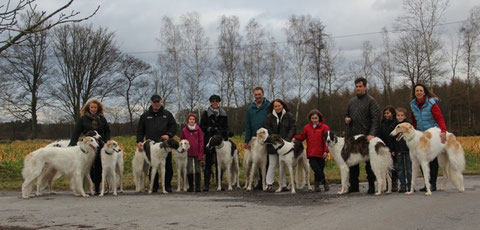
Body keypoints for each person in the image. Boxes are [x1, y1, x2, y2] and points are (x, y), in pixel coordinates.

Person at [344, 77, 380, 194]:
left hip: (366, 137)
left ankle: (371, 186)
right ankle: (354, 186)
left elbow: (376, 119)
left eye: (360, 86)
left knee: (369, 163)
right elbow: (346, 115)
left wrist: (372, 134)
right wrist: (347, 120)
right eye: (356, 86)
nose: (358, 88)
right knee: (352, 162)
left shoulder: (371, 101)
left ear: (365, 87)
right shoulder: (351, 101)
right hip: (352, 137)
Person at [410, 83, 447, 192]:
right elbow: (413, 121)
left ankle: (433, 183)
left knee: (432, 158)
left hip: (432, 134)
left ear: (424, 92)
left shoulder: (431, 103)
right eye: (417, 91)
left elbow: (440, 118)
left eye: (421, 90)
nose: (419, 92)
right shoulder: (413, 104)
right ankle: (427, 183)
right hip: (420, 134)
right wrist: (413, 133)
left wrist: (443, 131)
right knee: (421, 158)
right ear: (414, 93)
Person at [69, 98, 110, 195]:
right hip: (87, 146)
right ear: (88, 108)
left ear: (98, 108)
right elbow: (76, 131)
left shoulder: (102, 119)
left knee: (99, 165)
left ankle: (97, 186)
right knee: (89, 166)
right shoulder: (83, 119)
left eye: (95, 107)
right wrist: (72, 143)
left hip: (100, 144)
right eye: (92, 107)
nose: (93, 109)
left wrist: (107, 140)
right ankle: (89, 187)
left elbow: (107, 131)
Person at [136, 94, 177, 193]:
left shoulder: (167, 114)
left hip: (165, 145)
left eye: (158, 102)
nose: (156, 104)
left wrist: (169, 135)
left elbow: (174, 126)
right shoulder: (145, 115)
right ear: (151, 102)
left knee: (167, 165)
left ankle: (167, 186)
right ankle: (154, 186)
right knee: (153, 166)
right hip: (151, 145)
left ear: (161, 102)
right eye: (154, 102)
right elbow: (140, 130)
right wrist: (139, 141)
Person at [293, 109, 330, 192]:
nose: (314, 120)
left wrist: (326, 151)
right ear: (310, 118)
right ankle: (324, 181)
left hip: (321, 152)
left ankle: (316, 185)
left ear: (319, 118)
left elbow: (327, 140)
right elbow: (303, 136)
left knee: (320, 169)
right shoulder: (307, 127)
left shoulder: (325, 127)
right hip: (311, 153)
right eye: (312, 118)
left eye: (316, 118)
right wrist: (295, 138)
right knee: (315, 168)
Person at [263, 99, 295, 192]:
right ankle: (269, 184)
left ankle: (283, 185)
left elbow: (293, 127)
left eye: (279, 105)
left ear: (283, 105)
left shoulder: (289, 115)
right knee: (272, 164)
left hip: (286, 145)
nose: (277, 108)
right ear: (273, 107)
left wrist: (287, 140)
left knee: (283, 165)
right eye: (275, 106)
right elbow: (268, 129)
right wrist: (275, 139)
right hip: (273, 144)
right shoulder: (269, 117)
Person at [200, 94, 229, 191]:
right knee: (208, 163)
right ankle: (206, 185)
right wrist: (209, 129)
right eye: (213, 101)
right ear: (210, 102)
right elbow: (201, 126)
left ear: (219, 102)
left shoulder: (223, 113)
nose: (215, 103)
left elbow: (226, 127)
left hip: (220, 141)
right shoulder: (206, 113)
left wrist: (226, 134)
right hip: (209, 140)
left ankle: (219, 184)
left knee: (219, 163)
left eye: (216, 101)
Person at [244, 86, 270, 190]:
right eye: (256, 95)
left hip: (266, 137)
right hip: (254, 139)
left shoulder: (269, 106)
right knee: (255, 161)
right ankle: (257, 181)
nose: (258, 96)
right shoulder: (250, 108)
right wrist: (246, 140)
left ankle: (267, 182)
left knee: (266, 161)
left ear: (263, 94)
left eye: (259, 94)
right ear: (254, 95)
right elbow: (248, 125)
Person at [180, 113, 204, 192]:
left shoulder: (198, 129)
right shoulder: (184, 130)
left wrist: (201, 153)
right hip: (188, 153)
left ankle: (198, 187)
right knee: (189, 169)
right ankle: (191, 186)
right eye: (190, 119)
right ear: (188, 120)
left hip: (197, 152)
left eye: (193, 119)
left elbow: (201, 141)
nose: (192, 121)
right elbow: (181, 140)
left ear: (195, 120)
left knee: (197, 169)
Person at [378, 105, 398, 192]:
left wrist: (393, 149)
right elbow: (380, 136)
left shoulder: (396, 124)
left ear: (392, 113)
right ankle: (387, 184)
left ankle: (394, 184)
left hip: (393, 147)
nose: (386, 115)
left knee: (394, 167)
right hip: (385, 147)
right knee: (386, 167)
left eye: (388, 113)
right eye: (385, 113)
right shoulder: (381, 124)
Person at [394, 107, 412, 193]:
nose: (400, 117)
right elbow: (393, 139)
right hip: (398, 150)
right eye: (398, 115)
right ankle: (402, 185)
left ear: (405, 116)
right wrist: (393, 149)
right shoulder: (395, 126)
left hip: (408, 150)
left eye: (402, 115)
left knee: (409, 168)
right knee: (400, 169)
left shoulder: (408, 126)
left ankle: (410, 185)